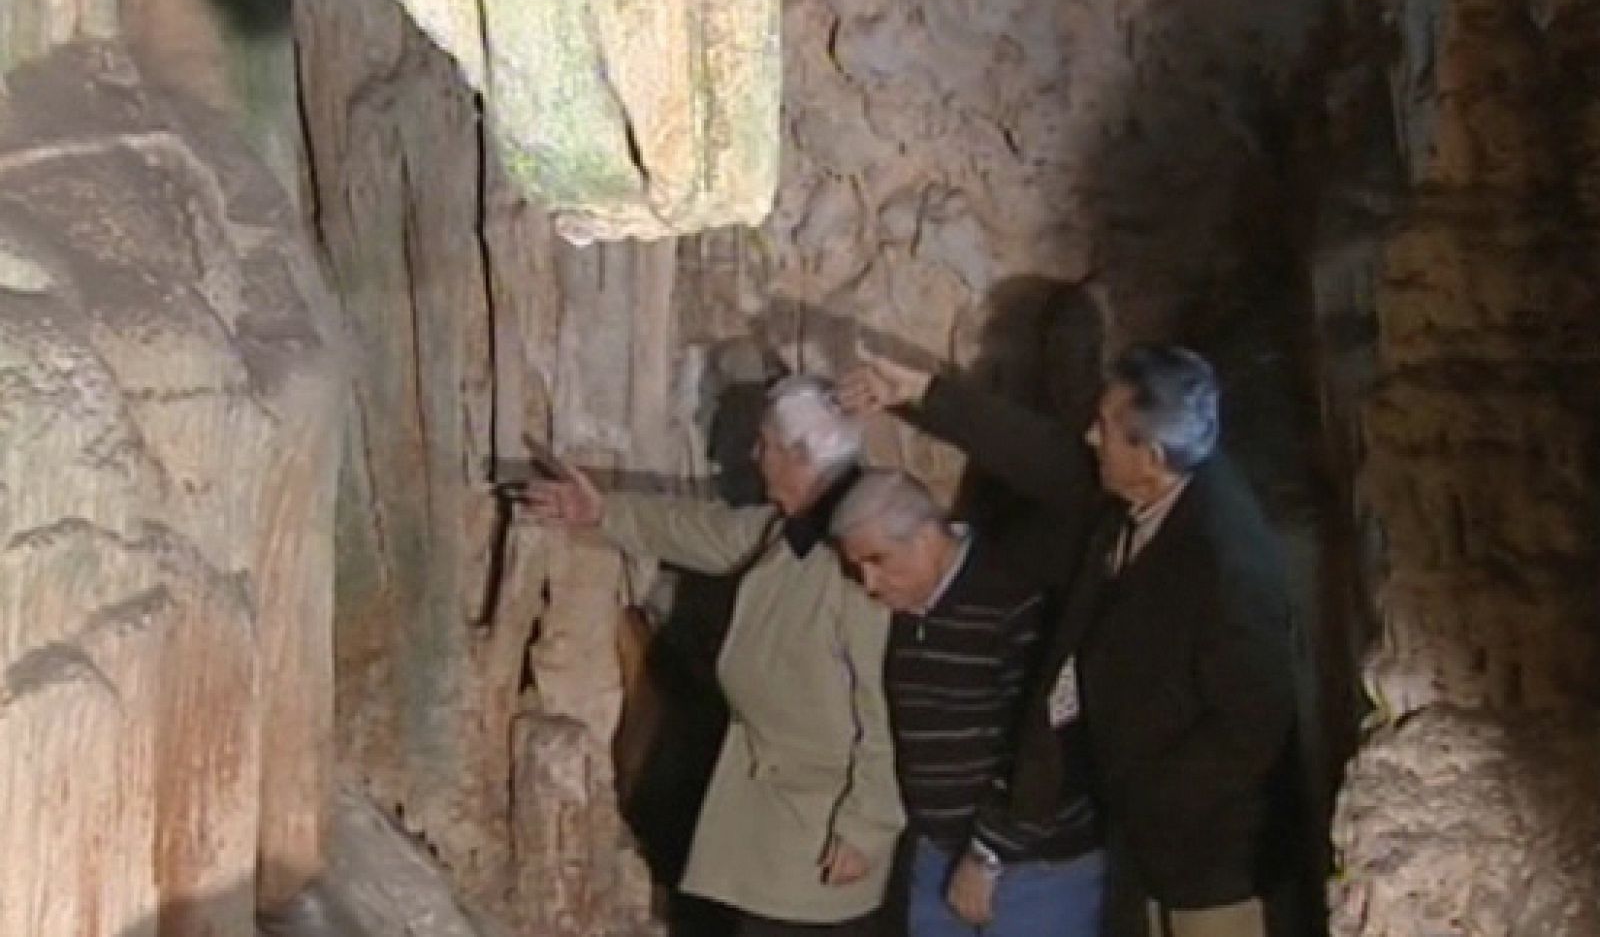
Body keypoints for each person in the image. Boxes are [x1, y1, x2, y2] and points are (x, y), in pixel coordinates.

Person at [841, 344, 1296, 937]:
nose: (1088, 436)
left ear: (1151, 456)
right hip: (1140, 843)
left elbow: (1252, 727)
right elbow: (1045, 456)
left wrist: (1135, 788)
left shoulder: (1228, 568)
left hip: (1211, 861)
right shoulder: (1146, 494)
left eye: (1104, 428)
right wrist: (926, 396)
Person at [523, 376, 904, 936]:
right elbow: (703, 531)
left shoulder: (857, 560)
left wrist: (867, 826)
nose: (755, 457)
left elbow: (887, 706)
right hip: (773, 811)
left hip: (823, 828)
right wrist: (602, 513)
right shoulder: (790, 531)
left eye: (766, 445)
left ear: (801, 456)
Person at [829, 470, 1105, 937]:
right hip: (938, 853)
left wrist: (988, 853)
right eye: (859, 568)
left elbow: (1043, 746)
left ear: (924, 537)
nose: (870, 584)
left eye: (879, 560)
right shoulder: (902, 612)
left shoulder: (1012, 598)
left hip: (1033, 867)